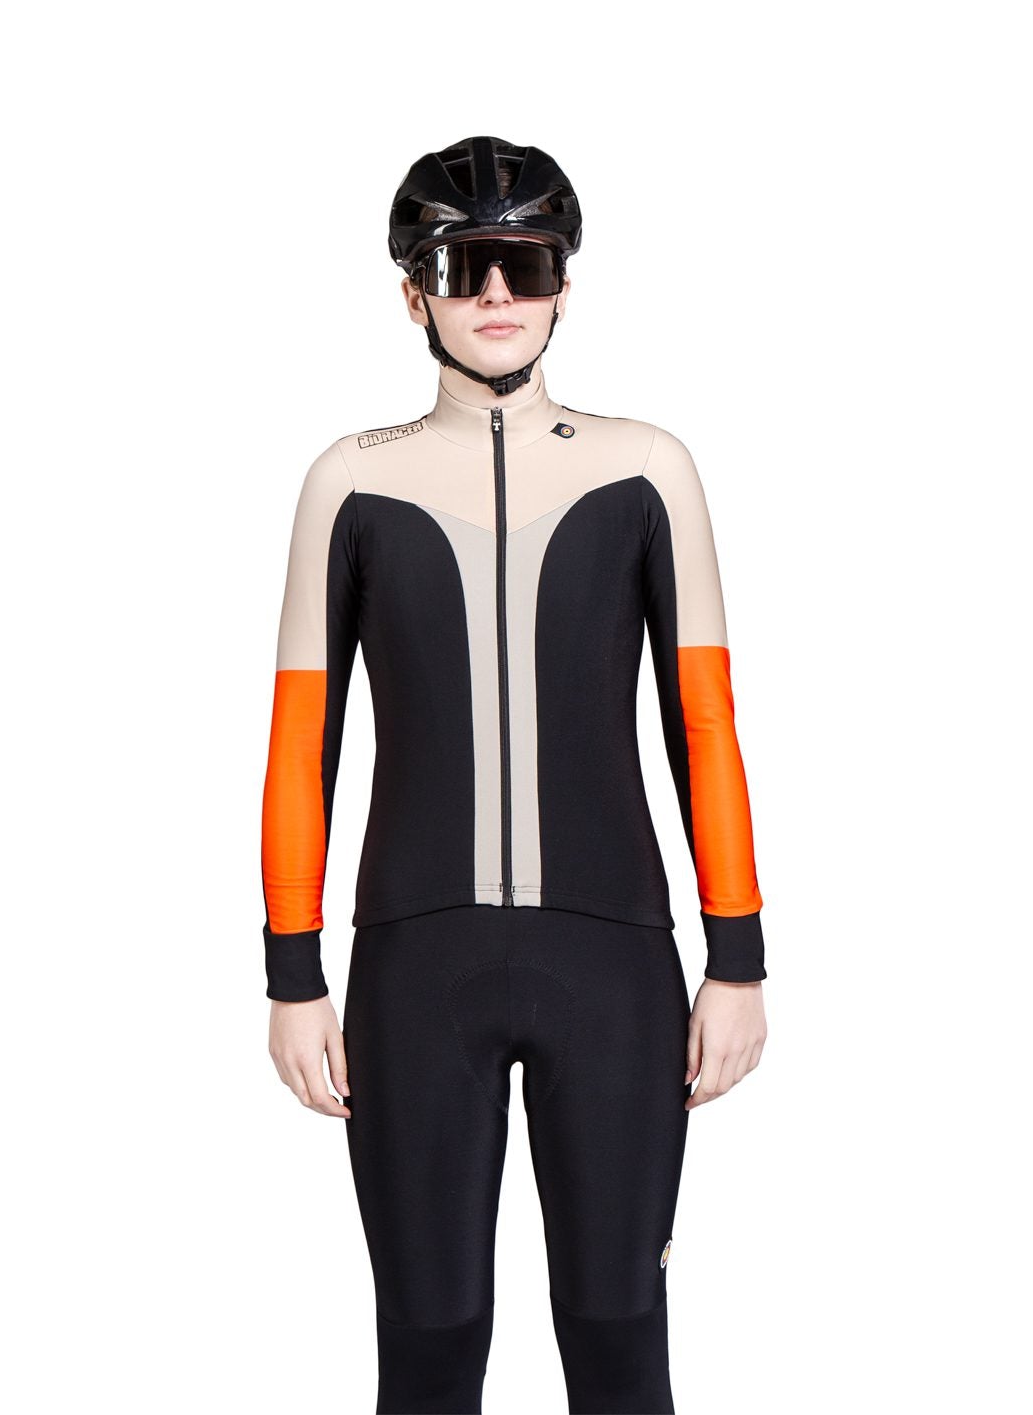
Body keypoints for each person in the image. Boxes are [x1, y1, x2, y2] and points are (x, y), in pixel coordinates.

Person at [261, 134, 769, 1414]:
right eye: (463, 265)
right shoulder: (349, 478)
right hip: (413, 965)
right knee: (429, 1344)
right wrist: (292, 975)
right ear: (413, 293)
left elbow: (703, 722)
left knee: (617, 1332)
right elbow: (301, 742)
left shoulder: (648, 466)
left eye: (525, 264)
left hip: (612, 962)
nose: (496, 293)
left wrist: (738, 956)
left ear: (563, 288)